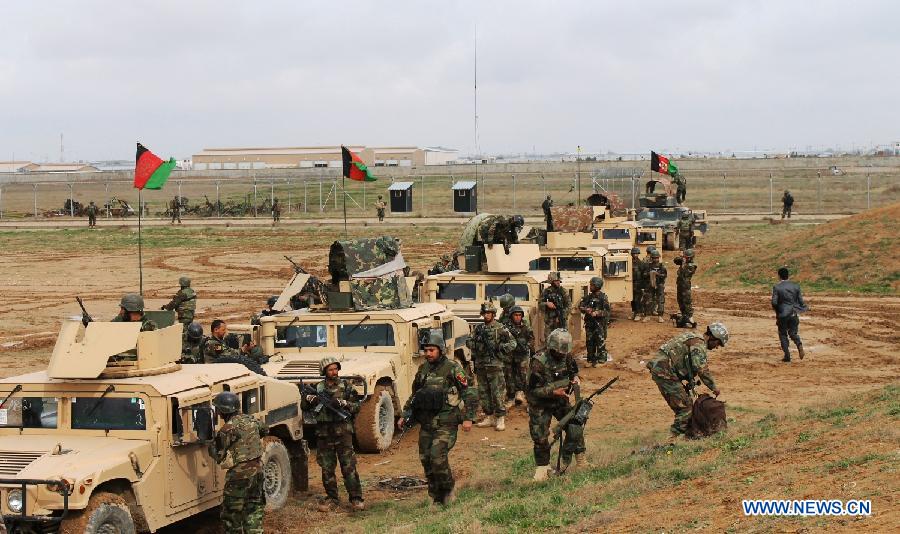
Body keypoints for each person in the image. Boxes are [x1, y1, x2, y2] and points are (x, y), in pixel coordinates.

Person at [398, 329, 476, 505]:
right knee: (426, 459)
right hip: (426, 422)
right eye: (426, 350)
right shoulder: (423, 369)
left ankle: (448, 490)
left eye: (431, 350)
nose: (428, 354)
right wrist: (405, 413)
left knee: (437, 457)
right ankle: (436, 497)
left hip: (446, 421)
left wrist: (468, 417)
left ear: (440, 349)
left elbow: (468, 393)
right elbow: (415, 395)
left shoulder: (453, 368)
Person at [302, 357, 364, 511]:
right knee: (327, 468)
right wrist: (310, 399)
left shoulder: (346, 386)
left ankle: (356, 498)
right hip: (324, 434)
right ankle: (332, 499)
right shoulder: (318, 388)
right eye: (330, 369)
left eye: (336, 369)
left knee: (348, 466)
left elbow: (357, 406)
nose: (334, 372)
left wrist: (343, 404)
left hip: (343, 432)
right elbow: (304, 406)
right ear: (324, 371)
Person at [646, 323, 727, 440]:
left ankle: (687, 434)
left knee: (684, 403)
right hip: (664, 370)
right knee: (685, 407)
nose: (717, 347)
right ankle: (672, 440)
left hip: (662, 368)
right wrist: (714, 387)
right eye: (718, 343)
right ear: (713, 337)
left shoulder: (694, 337)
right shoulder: (699, 344)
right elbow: (701, 368)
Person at [527, 329, 588, 480]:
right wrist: (553, 392)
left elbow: (573, 372)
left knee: (575, 425)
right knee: (540, 435)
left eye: (564, 352)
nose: (562, 355)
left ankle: (581, 461)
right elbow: (532, 391)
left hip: (560, 400)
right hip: (541, 403)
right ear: (551, 347)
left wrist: (575, 379)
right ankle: (542, 469)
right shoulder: (538, 362)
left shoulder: (566, 357)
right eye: (558, 352)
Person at [208, 391, 267, 534]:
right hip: (258, 470)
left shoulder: (227, 429)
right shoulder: (252, 420)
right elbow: (264, 429)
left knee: (232, 514)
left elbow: (217, 454)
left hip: (239, 476)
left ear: (223, 411)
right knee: (254, 507)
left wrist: (211, 445)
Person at [466, 302, 516, 431]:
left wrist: (500, 348)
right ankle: (489, 415)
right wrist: (477, 345)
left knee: (497, 392)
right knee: (483, 392)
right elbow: (469, 341)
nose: (486, 315)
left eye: (488, 313)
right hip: (481, 365)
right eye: (484, 313)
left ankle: (500, 417)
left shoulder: (500, 328)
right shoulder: (479, 329)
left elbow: (512, 343)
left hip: (495, 365)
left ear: (493, 314)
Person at [772, 267, 807, 362]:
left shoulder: (777, 287)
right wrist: (801, 309)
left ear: (779, 276)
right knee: (793, 333)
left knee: (783, 333)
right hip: (793, 313)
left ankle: (787, 355)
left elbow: (774, 302)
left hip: (782, 314)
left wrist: (778, 311)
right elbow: (801, 301)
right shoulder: (796, 286)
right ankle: (799, 344)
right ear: (788, 276)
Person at [504, 305, 534, 406]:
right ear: (511, 316)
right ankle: (511, 397)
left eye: (519, 315)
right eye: (515, 315)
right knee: (509, 376)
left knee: (524, 377)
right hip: (510, 356)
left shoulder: (526, 327)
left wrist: (527, 345)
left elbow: (531, 339)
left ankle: (525, 398)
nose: (517, 317)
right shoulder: (506, 328)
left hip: (522, 356)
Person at [578, 276, 610, 366]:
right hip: (589, 324)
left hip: (599, 325)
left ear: (597, 286)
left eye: (592, 285)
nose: (590, 286)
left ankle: (601, 360)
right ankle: (590, 359)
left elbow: (607, 312)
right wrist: (586, 309)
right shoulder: (588, 297)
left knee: (600, 342)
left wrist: (597, 313)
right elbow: (580, 306)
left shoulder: (603, 298)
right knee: (589, 342)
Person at [539, 272, 570, 342]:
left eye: (559, 281)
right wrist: (547, 304)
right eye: (556, 281)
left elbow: (569, 306)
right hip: (550, 322)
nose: (558, 282)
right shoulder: (546, 292)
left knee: (563, 341)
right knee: (549, 341)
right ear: (552, 282)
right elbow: (540, 304)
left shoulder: (563, 291)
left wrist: (561, 316)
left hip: (561, 321)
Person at [673, 249, 698, 326]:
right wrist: (681, 257)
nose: (686, 258)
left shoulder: (692, 266)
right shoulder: (684, 262)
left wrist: (683, 261)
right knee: (680, 300)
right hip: (680, 284)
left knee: (687, 301)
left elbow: (684, 272)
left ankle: (690, 317)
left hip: (685, 285)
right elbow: (675, 261)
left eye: (687, 257)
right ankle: (684, 316)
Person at [644, 249, 667, 323]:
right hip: (650, 285)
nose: (655, 259)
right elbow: (644, 274)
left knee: (660, 300)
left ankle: (660, 316)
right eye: (654, 258)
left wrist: (658, 274)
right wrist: (649, 273)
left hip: (659, 285)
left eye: (657, 258)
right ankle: (647, 315)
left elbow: (664, 275)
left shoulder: (662, 266)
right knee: (648, 300)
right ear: (651, 258)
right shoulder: (648, 266)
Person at [630, 247, 646, 321]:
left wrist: (643, 286)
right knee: (632, 299)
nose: (635, 255)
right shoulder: (629, 262)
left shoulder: (641, 263)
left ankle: (638, 313)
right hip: (630, 283)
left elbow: (643, 275)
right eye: (634, 253)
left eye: (636, 253)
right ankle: (634, 312)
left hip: (638, 284)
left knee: (638, 299)